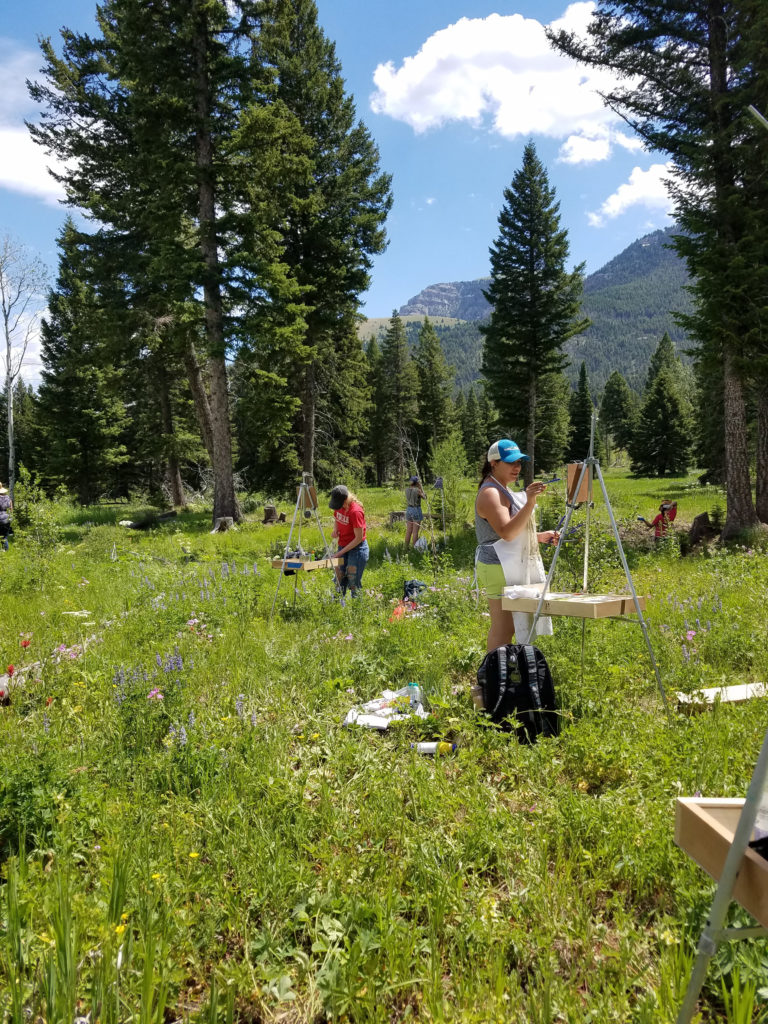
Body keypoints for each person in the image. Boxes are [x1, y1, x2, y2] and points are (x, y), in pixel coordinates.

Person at [475, 440, 559, 651]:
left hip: (507, 564)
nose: (517, 468)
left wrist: (538, 536)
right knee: (503, 628)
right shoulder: (490, 493)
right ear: (494, 463)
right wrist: (530, 502)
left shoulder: (502, 489)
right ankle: (490, 678)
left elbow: (508, 531)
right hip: (498, 566)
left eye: (519, 462)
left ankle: (500, 674)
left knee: (509, 628)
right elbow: (507, 533)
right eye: (511, 462)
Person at [329, 484, 369, 598]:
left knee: (353, 583)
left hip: (357, 549)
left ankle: (357, 611)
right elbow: (337, 517)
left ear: (345, 500)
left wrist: (339, 553)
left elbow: (358, 538)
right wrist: (335, 530)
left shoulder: (355, 512)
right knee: (339, 580)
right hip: (342, 546)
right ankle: (337, 609)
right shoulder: (340, 506)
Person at [404, 475, 426, 548]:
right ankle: (415, 548)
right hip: (416, 509)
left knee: (408, 531)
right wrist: (421, 488)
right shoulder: (418, 490)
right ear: (417, 483)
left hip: (408, 509)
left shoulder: (407, 489)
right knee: (415, 532)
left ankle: (406, 547)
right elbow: (425, 497)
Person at [0, 483, 12, 551]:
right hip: (7, 518)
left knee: (1, 535)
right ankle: (5, 549)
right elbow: (11, 508)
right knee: (4, 536)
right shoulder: (8, 497)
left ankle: (3, 549)